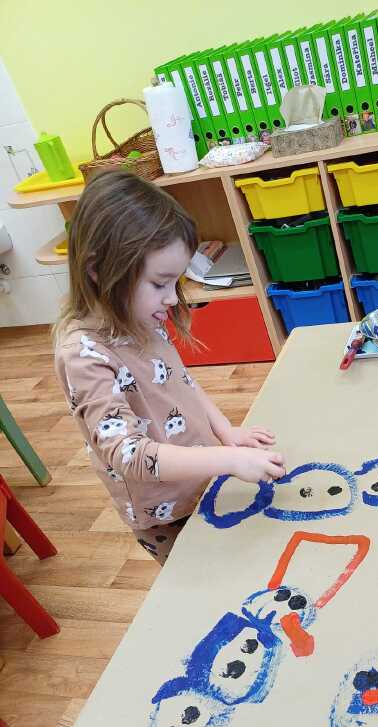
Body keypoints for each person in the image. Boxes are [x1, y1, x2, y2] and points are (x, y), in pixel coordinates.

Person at [53, 171, 285, 565]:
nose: (172, 299)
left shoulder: (140, 315)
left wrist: (225, 432)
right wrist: (229, 460)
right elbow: (129, 454)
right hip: (164, 511)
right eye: (160, 283)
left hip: (201, 478)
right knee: (200, 578)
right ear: (98, 270)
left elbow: (182, 383)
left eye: (175, 282)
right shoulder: (82, 355)